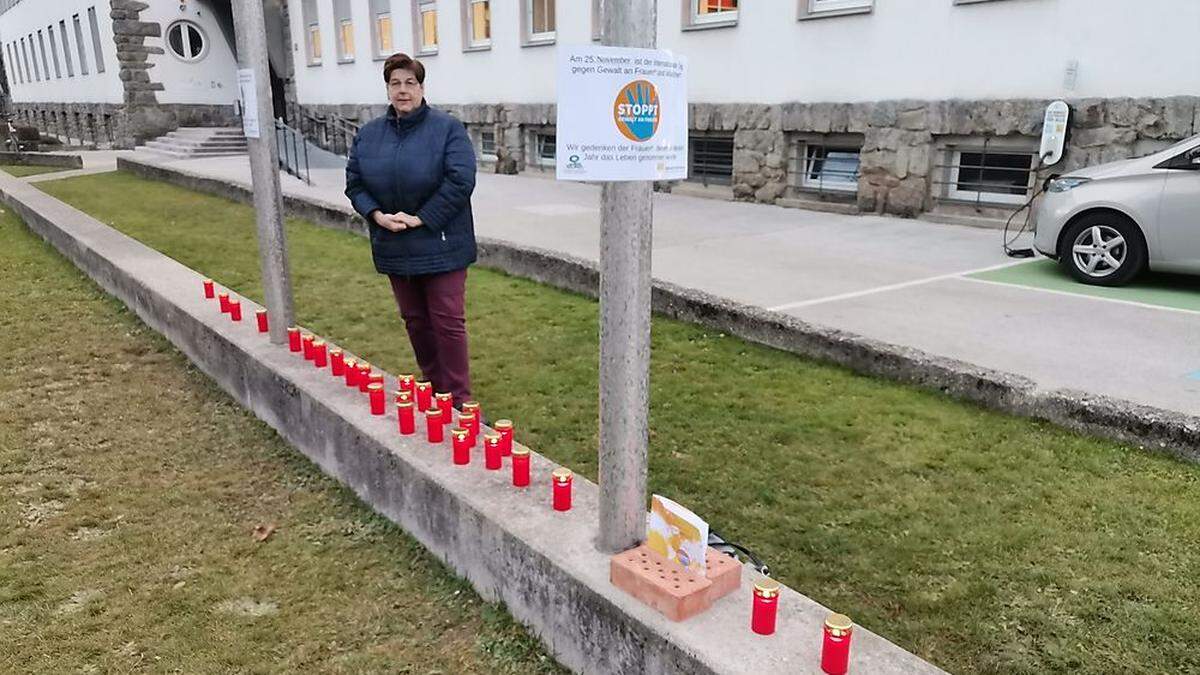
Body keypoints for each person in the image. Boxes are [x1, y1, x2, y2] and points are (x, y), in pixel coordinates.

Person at [345, 53, 478, 405]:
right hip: (394, 244)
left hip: (442, 243)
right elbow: (355, 184)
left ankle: (460, 401)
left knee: (447, 322)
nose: (402, 90)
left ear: (421, 87)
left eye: (410, 83)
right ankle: (435, 389)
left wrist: (422, 217)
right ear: (387, 88)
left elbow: (460, 181)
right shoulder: (369, 135)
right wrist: (376, 215)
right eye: (395, 83)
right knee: (416, 322)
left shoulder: (447, 129)